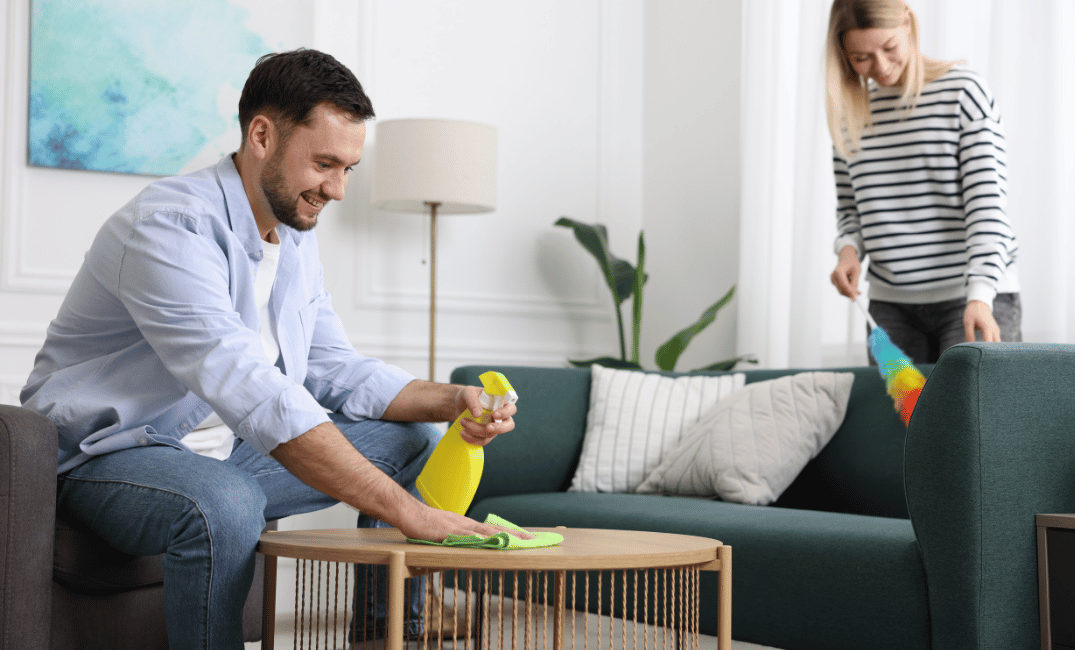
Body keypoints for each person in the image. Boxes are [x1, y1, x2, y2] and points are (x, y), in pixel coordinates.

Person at [21, 48, 522, 649]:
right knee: (227, 502)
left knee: (413, 437)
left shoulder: (293, 235)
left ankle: (387, 634)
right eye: (324, 164)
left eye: (348, 169)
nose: (337, 189)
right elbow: (252, 388)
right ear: (261, 136)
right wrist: (408, 513)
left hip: (219, 455)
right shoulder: (169, 225)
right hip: (107, 458)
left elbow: (333, 367)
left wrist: (452, 399)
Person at [824, 0, 1022, 364]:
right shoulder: (848, 115)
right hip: (890, 309)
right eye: (861, 58)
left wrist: (980, 295)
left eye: (889, 47)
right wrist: (848, 250)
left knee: (973, 403)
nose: (881, 66)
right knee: (901, 406)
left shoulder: (963, 93)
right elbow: (852, 210)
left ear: (909, 25)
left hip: (973, 295)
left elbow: (987, 206)